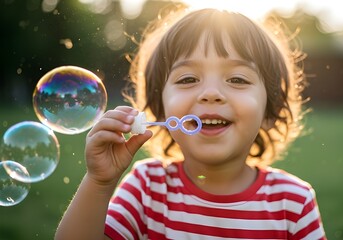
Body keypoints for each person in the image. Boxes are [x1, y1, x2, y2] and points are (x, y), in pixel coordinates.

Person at [55, 4, 326, 240]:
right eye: (188, 79)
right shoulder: (148, 188)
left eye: (237, 79)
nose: (210, 93)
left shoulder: (293, 203)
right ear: (160, 112)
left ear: (269, 111)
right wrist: (100, 183)